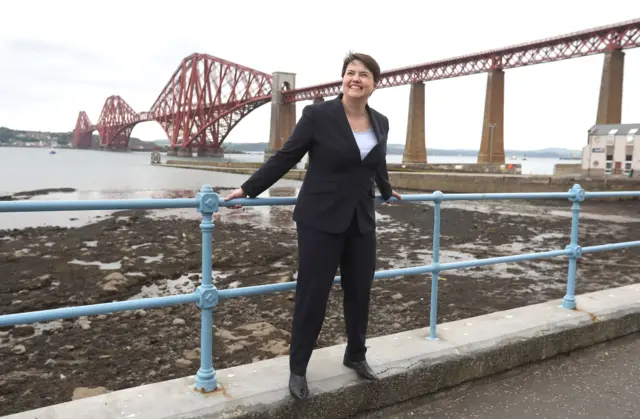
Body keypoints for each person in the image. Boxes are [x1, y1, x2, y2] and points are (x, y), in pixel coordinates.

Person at [224, 52, 402, 399]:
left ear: (374, 84)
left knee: (360, 292)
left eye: (364, 75)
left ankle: (355, 356)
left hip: (361, 220)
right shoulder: (317, 115)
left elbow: (375, 162)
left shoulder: (380, 121)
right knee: (312, 295)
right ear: (342, 79)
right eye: (350, 73)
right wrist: (248, 189)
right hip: (320, 220)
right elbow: (286, 156)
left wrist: (385, 189)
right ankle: (298, 369)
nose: (356, 79)